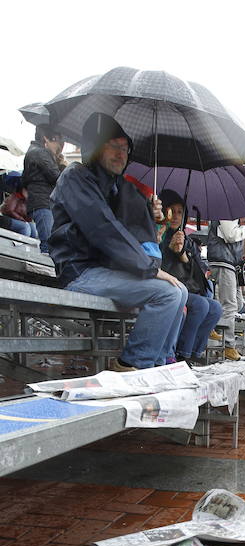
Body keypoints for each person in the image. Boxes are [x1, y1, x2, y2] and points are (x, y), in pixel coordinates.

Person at [49, 113, 186, 371]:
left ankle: (160, 364)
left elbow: (131, 230)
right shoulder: (75, 177)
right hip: (80, 272)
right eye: (113, 146)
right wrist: (148, 268)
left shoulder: (115, 187)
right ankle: (132, 365)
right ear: (95, 147)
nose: (121, 154)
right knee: (166, 293)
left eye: (125, 149)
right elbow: (104, 229)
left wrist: (153, 217)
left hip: (106, 271)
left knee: (181, 290)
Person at [157, 189, 222, 362]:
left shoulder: (186, 239)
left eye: (180, 212)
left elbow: (200, 273)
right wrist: (168, 250)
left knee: (215, 308)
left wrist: (183, 256)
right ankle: (182, 355)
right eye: (173, 211)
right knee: (200, 305)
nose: (176, 216)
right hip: (167, 286)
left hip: (186, 288)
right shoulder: (159, 234)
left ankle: (194, 353)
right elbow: (156, 266)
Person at [207, 217, 245, 361]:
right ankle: (228, 345)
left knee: (237, 304)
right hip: (223, 262)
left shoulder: (230, 213)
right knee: (230, 305)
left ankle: (211, 327)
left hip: (229, 263)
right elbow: (231, 235)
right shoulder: (226, 213)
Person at [22, 125, 66, 252]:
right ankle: (44, 271)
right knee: (48, 243)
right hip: (43, 202)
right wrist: (62, 166)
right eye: (56, 142)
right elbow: (56, 177)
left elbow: (24, 180)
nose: (58, 147)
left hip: (37, 202)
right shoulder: (41, 152)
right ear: (46, 139)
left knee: (48, 241)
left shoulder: (31, 151)